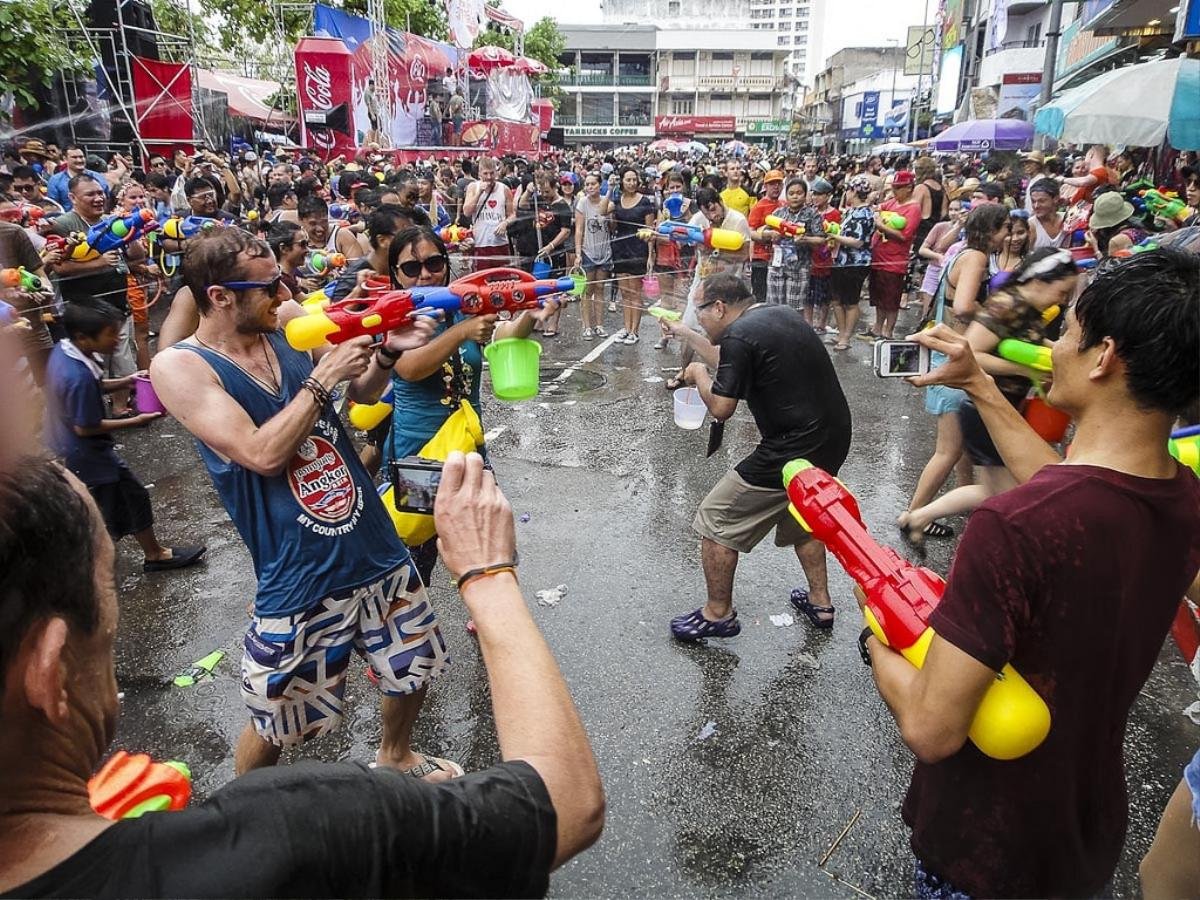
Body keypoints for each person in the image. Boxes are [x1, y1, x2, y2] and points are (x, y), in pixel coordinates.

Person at [0, 449, 604, 897]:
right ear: (50, 673)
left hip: (370, 563)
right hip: (300, 594)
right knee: (275, 716)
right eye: (109, 595)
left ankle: (398, 748)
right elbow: (565, 805)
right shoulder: (297, 829)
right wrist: (488, 575)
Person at [881, 248, 1200, 898]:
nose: (1053, 349)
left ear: (1105, 356)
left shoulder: (1013, 528)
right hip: (1085, 829)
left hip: (984, 849)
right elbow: (1070, 487)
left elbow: (930, 728)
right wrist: (979, 383)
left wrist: (877, 649)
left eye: (1068, 335)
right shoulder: (1181, 494)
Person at [149, 228, 453, 778]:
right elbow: (260, 454)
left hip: (372, 540)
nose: (286, 292)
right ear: (219, 296)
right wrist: (321, 378)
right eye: (269, 287)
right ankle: (246, 812)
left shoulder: (287, 324)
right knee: (275, 717)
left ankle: (396, 755)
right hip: (297, 569)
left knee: (412, 667)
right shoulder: (181, 367)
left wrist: (384, 351)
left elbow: (362, 394)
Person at [661, 273, 852, 638]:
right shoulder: (776, 314)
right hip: (833, 436)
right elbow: (731, 356)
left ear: (719, 307)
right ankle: (820, 602)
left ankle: (718, 613)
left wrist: (698, 374)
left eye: (697, 312)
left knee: (715, 519)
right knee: (804, 512)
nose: (695, 318)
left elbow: (721, 407)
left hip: (792, 446)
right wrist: (685, 335)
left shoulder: (739, 336)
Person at [383, 226, 555, 582]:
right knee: (412, 560)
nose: (426, 274)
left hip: (470, 450)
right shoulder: (395, 317)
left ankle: (490, 616)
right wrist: (460, 333)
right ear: (395, 275)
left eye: (433, 262)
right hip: (421, 456)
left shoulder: (464, 306)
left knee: (489, 549)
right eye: (411, 268)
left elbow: (501, 336)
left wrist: (529, 315)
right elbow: (409, 368)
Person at [900, 249, 1078, 552]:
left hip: (1003, 408)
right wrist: (1023, 368)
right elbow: (972, 356)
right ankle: (926, 521)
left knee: (1002, 492)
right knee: (1008, 496)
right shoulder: (1005, 304)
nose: (1061, 300)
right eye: (1061, 291)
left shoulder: (1028, 308)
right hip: (984, 412)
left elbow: (1034, 343)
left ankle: (920, 518)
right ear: (1040, 280)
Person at [44, 302, 206, 572]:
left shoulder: (66, 351)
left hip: (72, 448)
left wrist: (128, 380)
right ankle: (98, 569)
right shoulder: (77, 376)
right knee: (110, 511)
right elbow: (85, 427)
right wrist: (137, 420)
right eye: (110, 333)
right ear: (84, 336)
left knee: (128, 498)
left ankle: (152, 554)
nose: (117, 338)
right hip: (86, 455)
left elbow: (95, 385)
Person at [897, 203, 1010, 544]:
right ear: (990, 230)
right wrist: (1002, 316)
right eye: (1004, 228)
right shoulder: (975, 257)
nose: (1008, 236)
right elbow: (962, 306)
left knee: (957, 447)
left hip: (950, 358)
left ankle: (954, 500)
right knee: (946, 450)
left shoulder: (963, 253)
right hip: (955, 360)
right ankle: (913, 514)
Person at [51, 176, 145, 415]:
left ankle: (121, 407)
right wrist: (99, 263)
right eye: (90, 194)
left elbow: (136, 256)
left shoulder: (111, 220)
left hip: (118, 303)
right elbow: (59, 267)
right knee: (93, 365)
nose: (98, 198)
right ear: (72, 198)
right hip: (85, 310)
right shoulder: (64, 224)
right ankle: (92, 415)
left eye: (100, 192)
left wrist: (133, 232)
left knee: (124, 360)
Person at [863, 170, 921, 340]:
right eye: (894, 188)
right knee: (878, 297)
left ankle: (888, 332)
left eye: (898, 188)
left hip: (894, 261)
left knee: (890, 300)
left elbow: (904, 236)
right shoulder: (893, 202)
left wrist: (881, 225)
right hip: (878, 256)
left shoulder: (913, 208)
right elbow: (878, 209)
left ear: (909, 188)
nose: (895, 191)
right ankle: (877, 328)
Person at [608, 166, 657, 345]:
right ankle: (626, 329)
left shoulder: (645, 202)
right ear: (622, 181)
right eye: (628, 180)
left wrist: (651, 255)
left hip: (638, 249)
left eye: (634, 180)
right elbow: (602, 212)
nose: (631, 183)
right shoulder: (617, 200)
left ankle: (635, 331)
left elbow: (650, 231)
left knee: (635, 293)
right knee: (625, 292)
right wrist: (609, 189)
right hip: (620, 249)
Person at [828, 174, 876, 351]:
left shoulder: (865, 214)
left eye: (848, 190)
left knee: (851, 301)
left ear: (855, 191)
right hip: (841, 260)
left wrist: (834, 236)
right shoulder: (851, 211)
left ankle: (846, 337)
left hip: (855, 262)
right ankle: (841, 333)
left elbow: (858, 242)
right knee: (837, 300)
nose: (846, 193)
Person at [764, 177, 824, 311]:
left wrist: (805, 239)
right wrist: (770, 235)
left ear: (805, 195)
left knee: (795, 310)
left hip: (799, 267)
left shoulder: (812, 214)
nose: (795, 197)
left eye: (799, 193)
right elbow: (763, 232)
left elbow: (821, 239)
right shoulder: (778, 213)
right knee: (774, 308)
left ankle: (794, 332)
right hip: (776, 266)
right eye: (791, 193)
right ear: (786, 195)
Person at [574, 172, 613, 341]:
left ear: (600, 185)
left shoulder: (607, 202)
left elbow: (611, 223)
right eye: (587, 184)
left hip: (605, 252)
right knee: (587, 290)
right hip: (588, 252)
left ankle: (599, 324)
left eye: (593, 184)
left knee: (600, 289)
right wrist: (577, 253)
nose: (590, 187)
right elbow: (579, 230)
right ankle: (586, 325)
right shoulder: (582, 203)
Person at [462, 156, 514, 272]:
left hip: (500, 243)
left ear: (496, 172)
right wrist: (479, 192)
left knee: (503, 279)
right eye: (485, 174)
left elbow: (512, 214)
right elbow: (466, 212)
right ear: (479, 173)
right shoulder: (473, 187)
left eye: (492, 173)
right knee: (482, 281)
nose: (489, 177)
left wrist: (505, 223)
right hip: (481, 243)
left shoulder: (504, 189)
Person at [747, 169, 785, 302]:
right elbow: (750, 232)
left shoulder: (784, 205)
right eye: (772, 183)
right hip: (761, 258)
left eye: (779, 183)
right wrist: (766, 235)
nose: (776, 187)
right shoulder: (759, 207)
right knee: (760, 296)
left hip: (780, 258)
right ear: (765, 186)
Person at [46, 145, 110, 211]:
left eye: (81, 157)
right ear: (65, 159)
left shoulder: (98, 177)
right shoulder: (55, 180)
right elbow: (53, 206)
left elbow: (107, 200)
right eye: (74, 157)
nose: (79, 160)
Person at [1027, 178, 1065, 249]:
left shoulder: (1067, 221)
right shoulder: (1030, 226)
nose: (1036, 206)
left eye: (1042, 201)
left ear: (1055, 199)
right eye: (1033, 201)